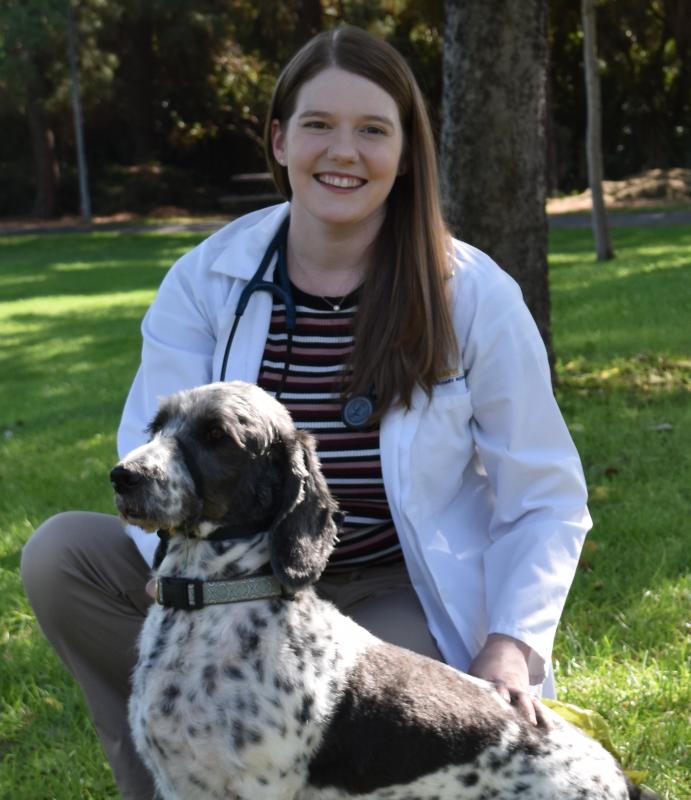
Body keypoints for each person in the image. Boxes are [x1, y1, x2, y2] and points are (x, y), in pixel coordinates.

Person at [21, 24, 591, 800]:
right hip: (228, 571)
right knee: (61, 555)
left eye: (372, 130)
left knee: (347, 725)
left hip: (391, 589)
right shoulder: (207, 279)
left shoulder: (474, 294)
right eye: (318, 124)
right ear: (279, 140)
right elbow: (150, 446)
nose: (342, 152)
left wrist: (510, 645)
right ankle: (167, 774)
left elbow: (543, 495)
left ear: (406, 152)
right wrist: (175, 575)